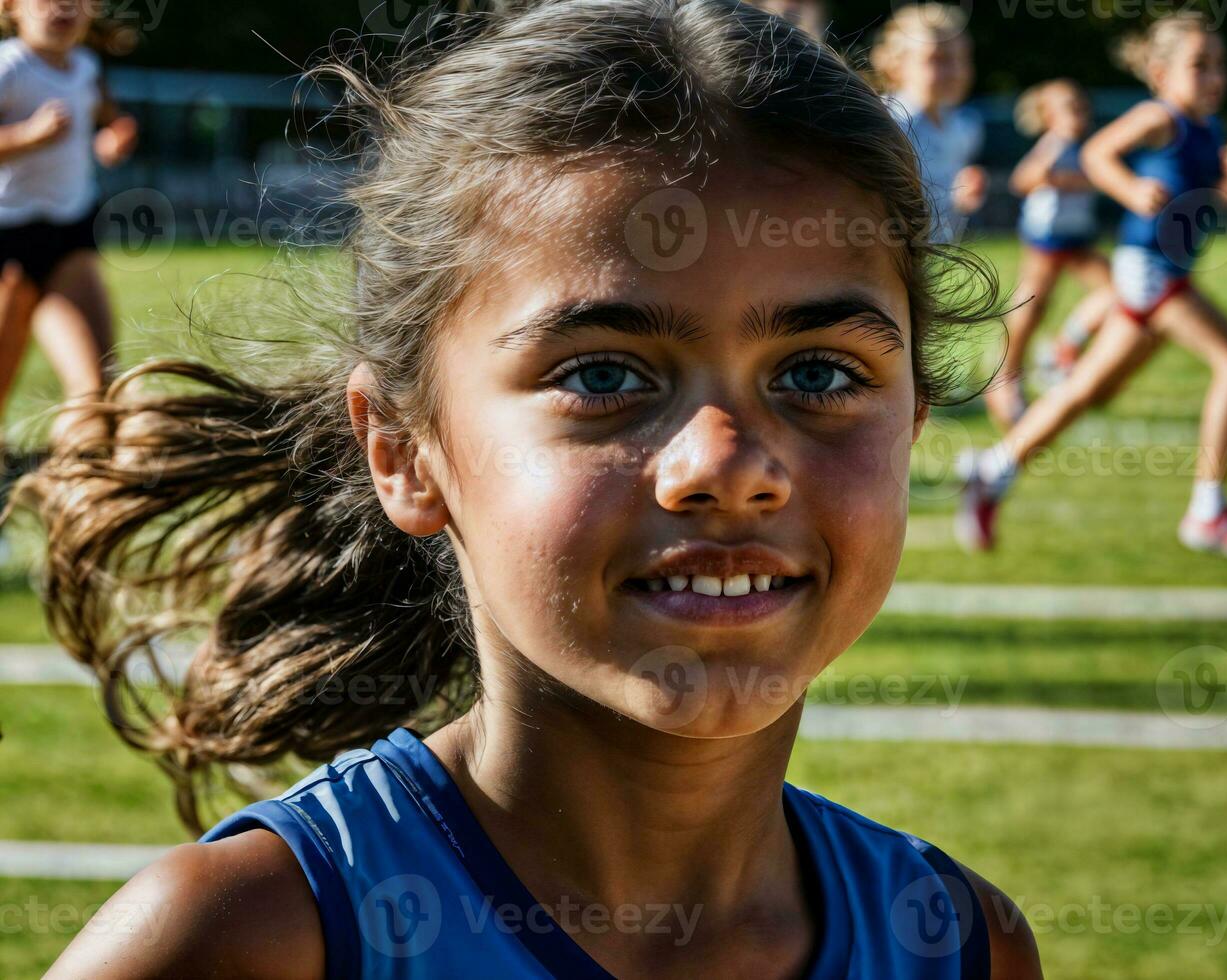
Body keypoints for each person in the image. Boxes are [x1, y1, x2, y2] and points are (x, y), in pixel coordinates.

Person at [23, 2, 1040, 976]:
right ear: (402, 450)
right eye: (602, 374)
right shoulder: (253, 939)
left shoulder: (955, 944)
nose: (728, 462)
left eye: (819, 373)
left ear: (913, 417)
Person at [956, 12, 1227, 559]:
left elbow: (1210, 210)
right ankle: (1208, 511)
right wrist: (1129, 186)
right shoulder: (1157, 116)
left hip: (1165, 271)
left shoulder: (1209, 129)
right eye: (1200, 66)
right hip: (1149, 270)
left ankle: (991, 470)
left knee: (1089, 391)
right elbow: (1098, 155)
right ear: (1162, 74)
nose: (1215, 78)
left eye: (1220, 66)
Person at [0, 0, 137, 452]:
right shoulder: (9, 66)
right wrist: (27, 137)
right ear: (11, 7)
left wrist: (113, 135)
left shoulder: (86, 66)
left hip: (71, 231)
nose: (61, 7)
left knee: (97, 386)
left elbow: (105, 113)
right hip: (10, 238)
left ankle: (78, 481)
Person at [985, 79, 1112, 430]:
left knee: (1117, 292)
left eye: (1082, 107)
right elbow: (1022, 179)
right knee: (1031, 305)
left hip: (1076, 237)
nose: (1079, 115)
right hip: (1048, 237)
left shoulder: (1081, 145)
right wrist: (1063, 179)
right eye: (1069, 108)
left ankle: (1062, 347)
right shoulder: (1053, 145)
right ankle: (1005, 378)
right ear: (1049, 116)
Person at [871, 2, 987, 244]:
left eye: (962, 58)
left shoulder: (965, 126)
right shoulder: (884, 122)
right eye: (937, 59)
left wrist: (965, 191)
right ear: (897, 64)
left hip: (938, 255)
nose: (956, 71)